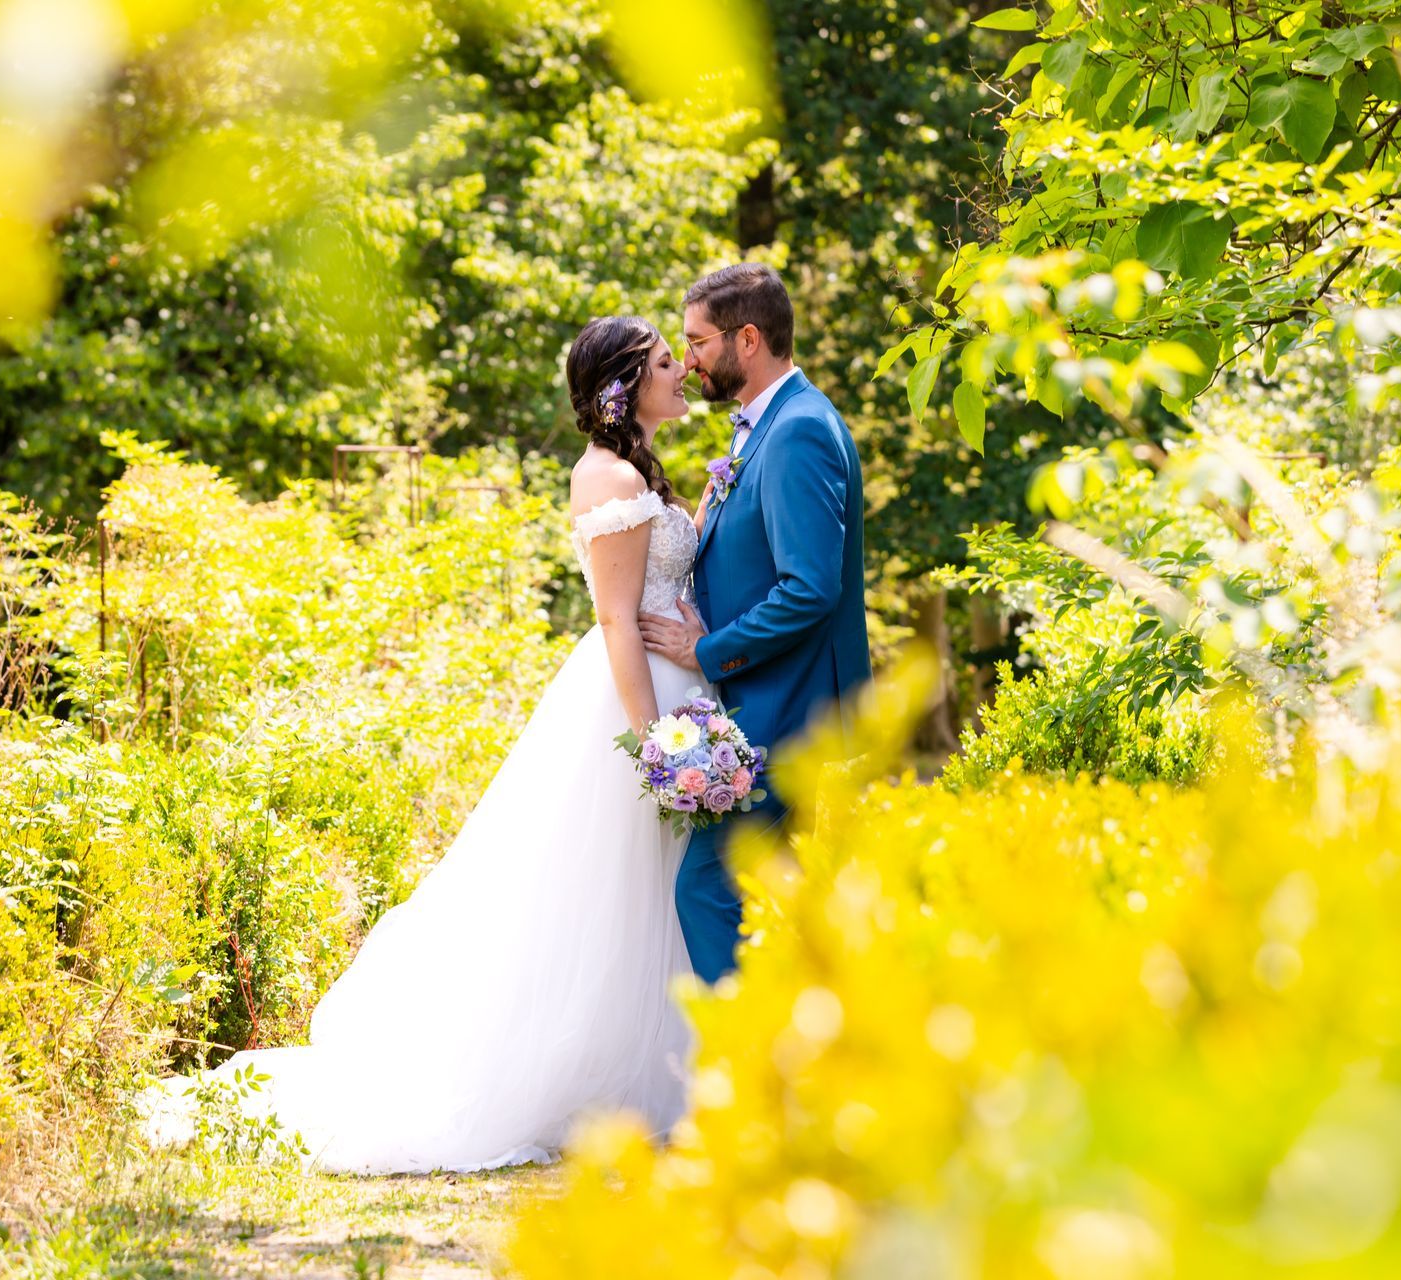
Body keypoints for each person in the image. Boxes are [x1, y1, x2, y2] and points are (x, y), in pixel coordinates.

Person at [141, 315, 709, 1173]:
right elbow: (614, 621)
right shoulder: (610, 476)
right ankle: (597, 1076)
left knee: (651, 895)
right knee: (610, 891)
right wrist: (653, 742)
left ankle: (672, 1070)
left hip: (673, 682)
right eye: (668, 362)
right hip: (636, 703)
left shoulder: (639, 471)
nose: (682, 373)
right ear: (625, 385)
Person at [640, 263, 872, 984]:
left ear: (748, 338)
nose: (689, 361)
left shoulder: (799, 430)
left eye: (698, 342)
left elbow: (809, 589)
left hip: (790, 715)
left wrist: (708, 650)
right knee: (779, 904)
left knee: (707, 891)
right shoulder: (764, 424)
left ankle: (749, 1075)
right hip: (763, 710)